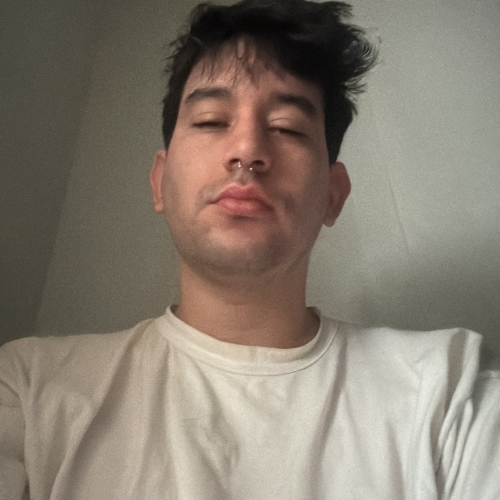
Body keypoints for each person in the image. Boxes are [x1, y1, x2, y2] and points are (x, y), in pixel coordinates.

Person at [1, 0, 499, 498]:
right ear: (159, 182)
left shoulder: (448, 392)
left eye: (287, 127)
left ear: (333, 194)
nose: (247, 149)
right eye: (211, 120)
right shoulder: (28, 391)